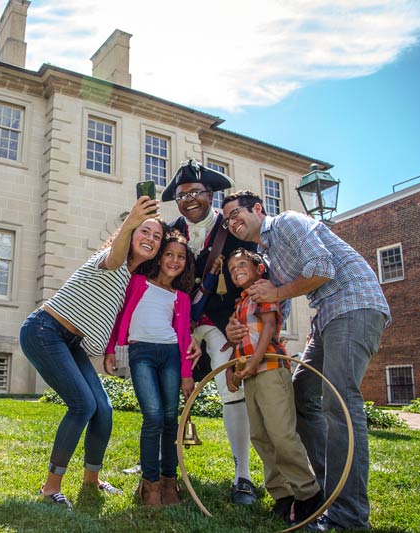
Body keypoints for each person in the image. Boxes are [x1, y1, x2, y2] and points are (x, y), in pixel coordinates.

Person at [221, 191, 390, 531]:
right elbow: (273, 310)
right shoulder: (265, 255)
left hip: (354, 304)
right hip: (326, 317)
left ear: (258, 209)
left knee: (339, 402)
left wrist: (278, 293)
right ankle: (324, 493)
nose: (232, 222)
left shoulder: (288, 223)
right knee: (301, 397)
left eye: (236, 213)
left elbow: (322, 268)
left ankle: (349, 515)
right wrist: (238, 329)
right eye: (227, 220)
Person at [19, 196, 165, 510]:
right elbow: (115, 256)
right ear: (131, 233)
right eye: (145, 232)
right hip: (44, 331)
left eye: (157, 237)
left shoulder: (130, 278)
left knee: (104, 409)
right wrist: (132, 219)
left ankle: (91, 479)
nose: (151, 240)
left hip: (71, 343)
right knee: (82, 405)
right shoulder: (108, 260)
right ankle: (50, 487)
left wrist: (111, 352)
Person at [161, 159, 259, 505]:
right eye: (181, 194)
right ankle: (158, 466)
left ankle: (243, 476)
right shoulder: (169, 231)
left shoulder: (232, 229)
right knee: (163, 391)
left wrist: (241, 323)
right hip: (179, 325)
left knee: (230, 387)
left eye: (196, 192)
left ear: (210, 194)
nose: (188, 199)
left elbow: (253, 276)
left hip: (223, 323)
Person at [104, 229, 217, 507]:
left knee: (170, 419)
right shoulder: (138, 282)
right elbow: (119, 314)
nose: (174, 260)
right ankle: (150, 485)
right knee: (152, 415)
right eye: (169, 254)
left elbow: (181, 338)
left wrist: (187, 374)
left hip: (170, 355)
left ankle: (169, 481)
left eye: (180, 257)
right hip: (141, 353)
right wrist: (109, 350)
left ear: (185, 264)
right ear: (159, 256)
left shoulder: (181, 298)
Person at [224, 248, 322, 524]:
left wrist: (254, 363)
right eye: (232, 268)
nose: (236, 270)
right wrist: (234, 368)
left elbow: (268, 329)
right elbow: (239, 342)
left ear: (259, 269)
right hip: (252, 375)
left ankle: (308, 494)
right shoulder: (240, 304)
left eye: (242, 264)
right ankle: (282, 494)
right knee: (261, 435)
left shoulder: (264, 292)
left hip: (269, 371)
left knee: (281, 434)